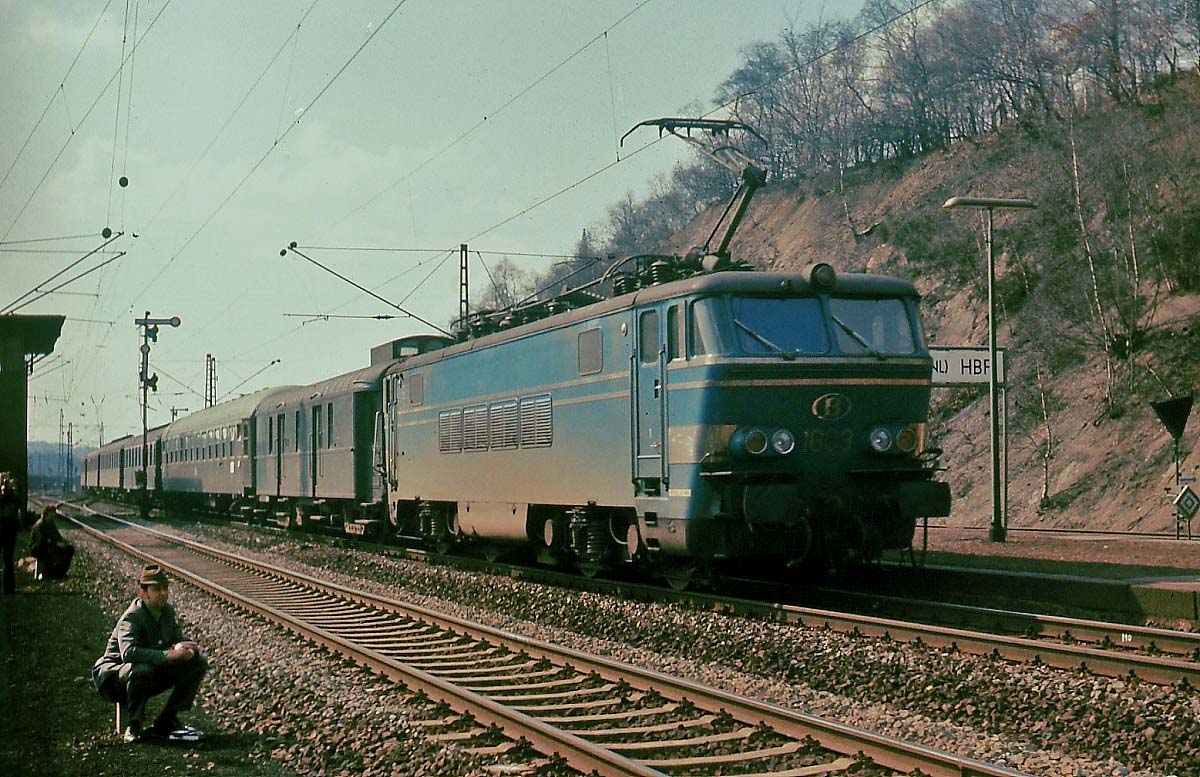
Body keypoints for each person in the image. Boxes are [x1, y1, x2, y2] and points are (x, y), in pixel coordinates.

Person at [91, 564, 208, 743]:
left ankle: (167, 720)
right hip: (113, 678)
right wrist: (166, 655)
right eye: (156, 589)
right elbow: (129, 653)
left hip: (144, 673)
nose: (162, 593)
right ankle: (134, 725)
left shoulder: (166, 612)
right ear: (143, 593)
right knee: (142, 669)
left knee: (198, 662)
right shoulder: (132, 617)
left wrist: (187, 648)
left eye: (165, 588)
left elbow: (177, 637)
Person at [29, 503, 74, 579]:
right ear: (47, 514)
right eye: (52, 513)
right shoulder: (39, 525)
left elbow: (56, 536)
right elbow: (41, 542)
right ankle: (48, 573)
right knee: (51, 551)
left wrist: (64, 542)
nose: (54, 515)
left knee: (69, 549)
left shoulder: (50, 523)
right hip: (36, 548)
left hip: (47, 545)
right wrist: (56, 544)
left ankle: (59, 572)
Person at [0, 474, 19, 594]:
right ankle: (9, 587)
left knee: (8, 559)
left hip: (6, 529)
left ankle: (9, 587)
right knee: (8, 559)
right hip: (9, 531)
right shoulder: (13, 496)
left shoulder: (10, 496)